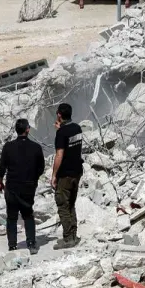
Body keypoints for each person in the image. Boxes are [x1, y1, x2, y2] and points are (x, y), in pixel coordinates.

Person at [0, 117, 44, 253]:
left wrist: (0, 182)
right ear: (27, 130)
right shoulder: (36, 147)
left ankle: (12, 245)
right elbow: (41, 167)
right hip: (28, 187)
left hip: (12, 187)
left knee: (11, 217)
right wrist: (34, 179)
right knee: (28, 215)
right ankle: (31, 243)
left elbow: (2, 167)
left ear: (16, 130)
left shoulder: (8, 147)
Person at [51, 102, 85, 249]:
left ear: (59, 115)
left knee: (63, 205)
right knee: (71, 203)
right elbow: (70, 140)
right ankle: (73, 235)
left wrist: (54, 175)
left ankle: (68, 239)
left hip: (65, 174)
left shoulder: (61, 133)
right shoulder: (77, 128)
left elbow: (59, 155)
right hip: (77, 171)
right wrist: (61, 129)